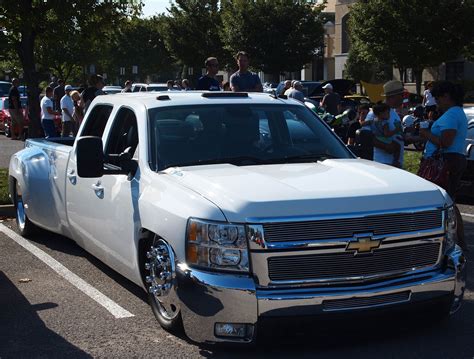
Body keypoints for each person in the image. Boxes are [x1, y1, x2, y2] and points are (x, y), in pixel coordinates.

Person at [419, 81, 468, 250]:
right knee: (449, 201)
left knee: (443, 202)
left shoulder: (452, 115)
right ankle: (460, 241)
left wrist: (425, 133)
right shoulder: (455, 113)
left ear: (447, 96)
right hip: (451, 159)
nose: (436, 101)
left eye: (438, 97)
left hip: (445, 161)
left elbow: (446, 142)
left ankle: (455, 241)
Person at [367, 80, 405, 167]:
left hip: (395, 163)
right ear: (392, 97)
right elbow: (366, 136)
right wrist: (385, 146)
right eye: (402, 95)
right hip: (383, 163)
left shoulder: (393, 112)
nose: (403, 98)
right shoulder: (375, 113)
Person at [365, 102, 401, 167]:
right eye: (387, 113)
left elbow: (363, 124)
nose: (389, 115)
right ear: (381, 113)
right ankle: (396, 161)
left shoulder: (372, 120)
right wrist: (396, 130)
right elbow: (387, 134)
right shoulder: (385, 122)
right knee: (398, 146)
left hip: (377, 137)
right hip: (383, 139)